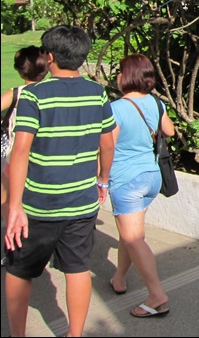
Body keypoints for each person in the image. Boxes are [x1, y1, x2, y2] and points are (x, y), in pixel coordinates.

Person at [4, 25, 116, 338]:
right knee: (78, 268)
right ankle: (75, 334)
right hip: (82, 201)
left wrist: (14, 207)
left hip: (38, 204)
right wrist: (103, 180)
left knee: (20, 269)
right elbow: (107, 145)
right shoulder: (98, 93)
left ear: (49, 57)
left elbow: (21, 151)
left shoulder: (34, 95)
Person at [108, 53, 175, 318]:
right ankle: (119, 279)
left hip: (127, 180)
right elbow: (168, 131)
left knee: (133, 237)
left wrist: (100, 180)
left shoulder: (116, 108)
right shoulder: (156, 103)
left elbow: (108, 147)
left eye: (120, 70)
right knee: (130, 234)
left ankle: (157, 295)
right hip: (151, 177)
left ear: (127, 76)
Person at [1, 46, 49, 224]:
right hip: (43, 156)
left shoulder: (16, 93)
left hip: (15, 155)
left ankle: (15, 234)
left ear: (21, 71)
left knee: (5, 199)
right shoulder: (50, 93)